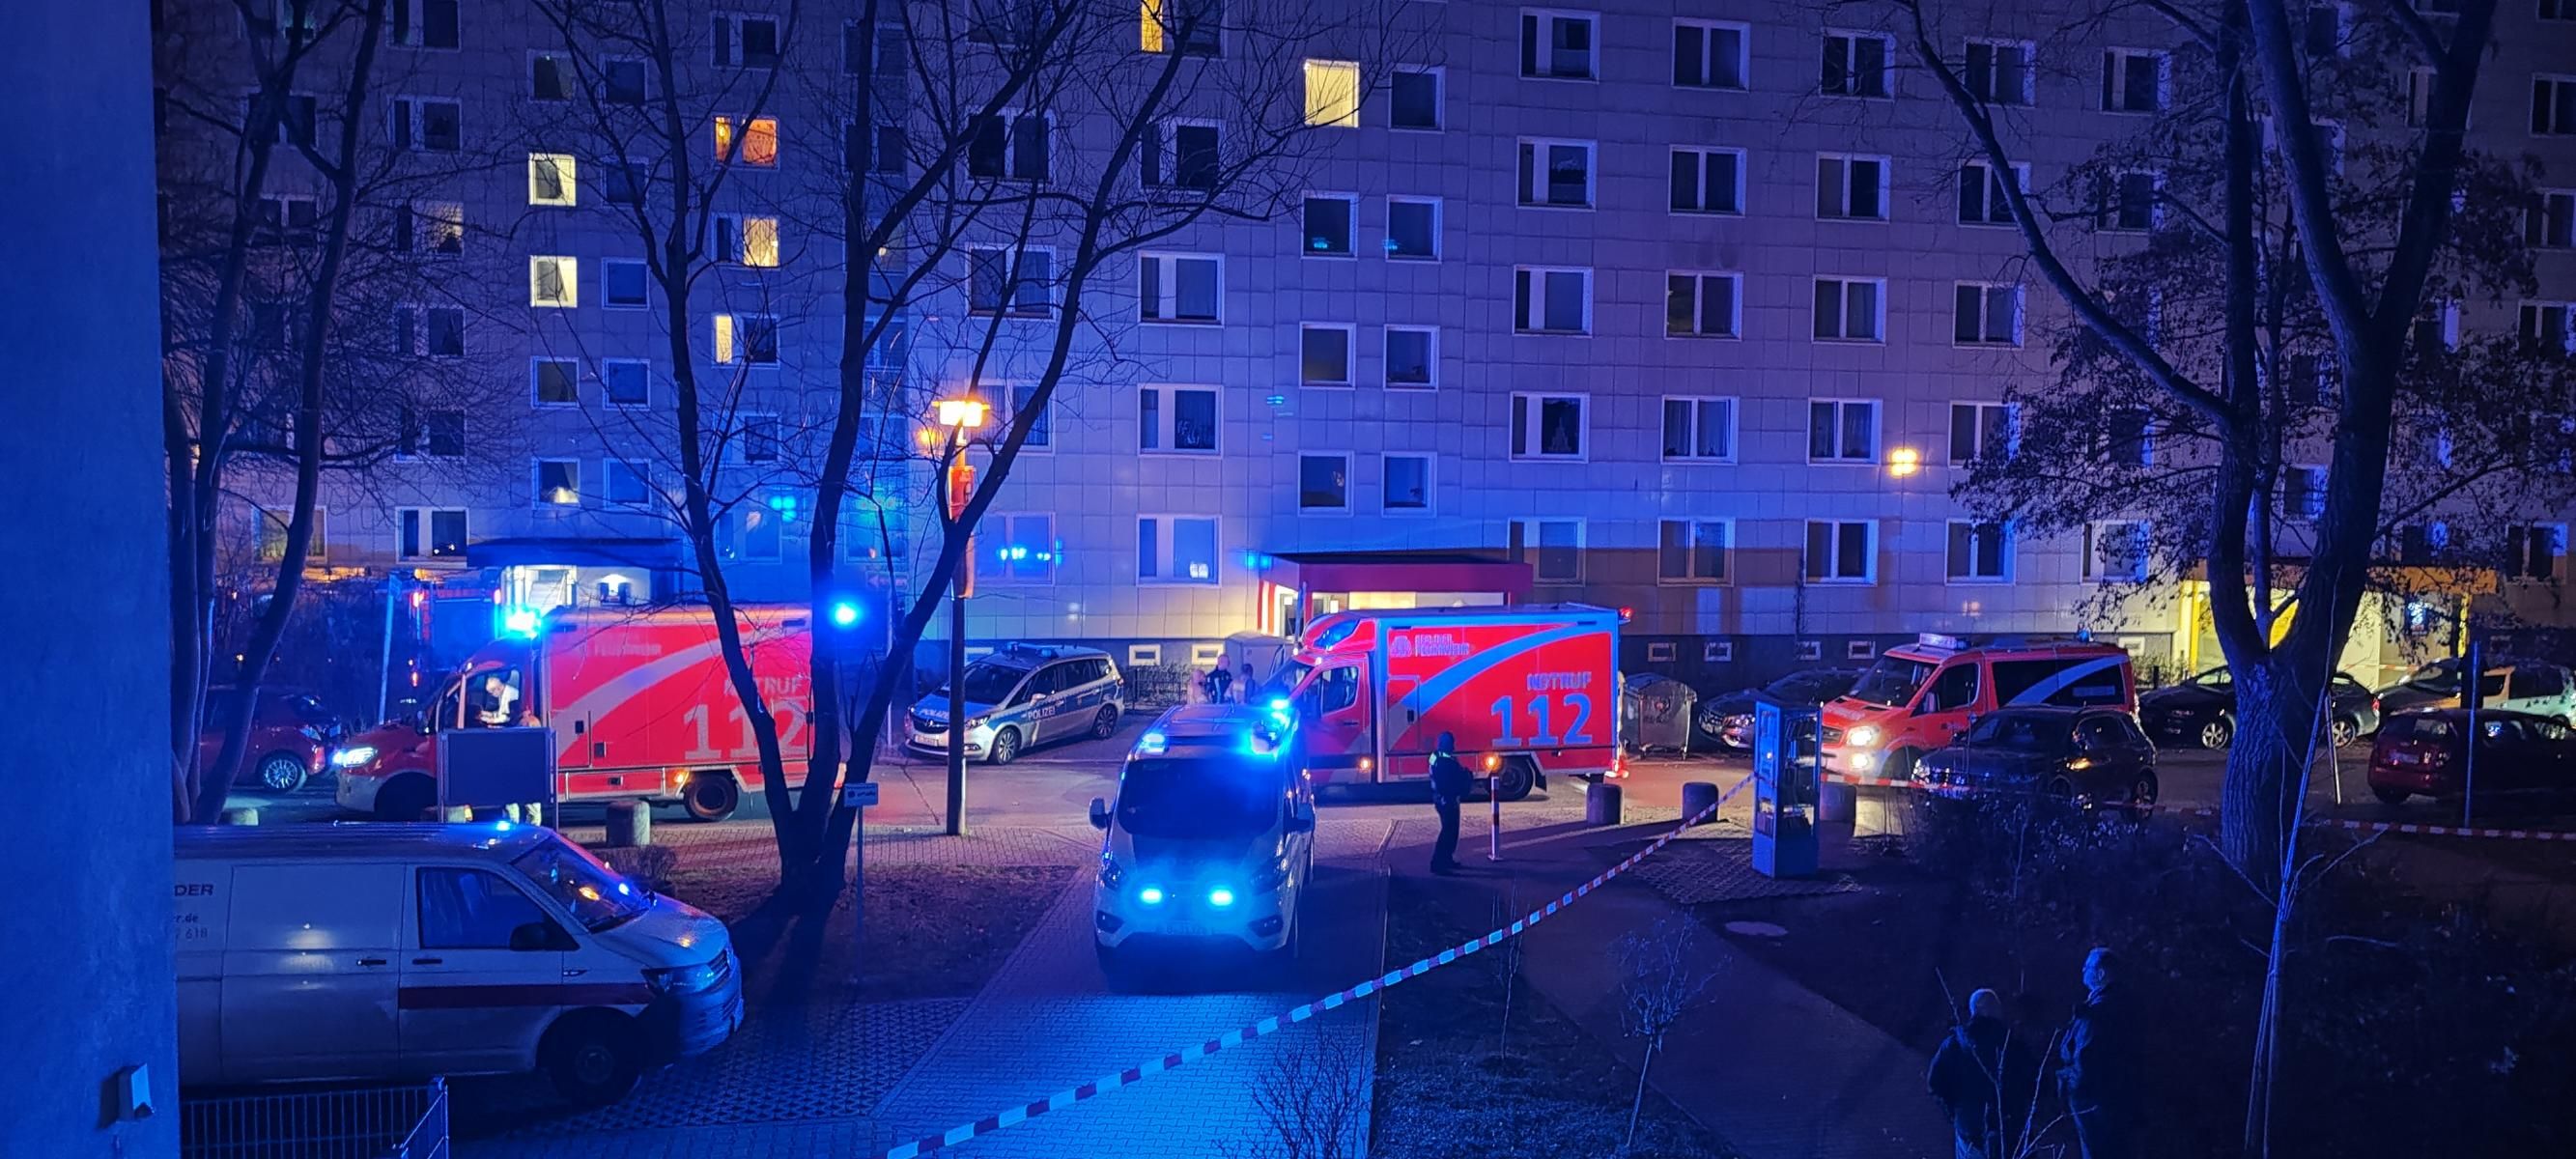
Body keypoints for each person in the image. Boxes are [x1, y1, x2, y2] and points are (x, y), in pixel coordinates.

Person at [1928, 988, 2039, 1159]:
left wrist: (1955, 1113)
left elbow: (1935, 1083)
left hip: (1969, 1128)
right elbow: (2035, 1084)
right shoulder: (2013, 1045)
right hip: (2011, 1127)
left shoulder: (1955, 1045)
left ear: (1974, 1010)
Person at [2058, 947, 2136, 1159]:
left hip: (2094, 1104)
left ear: (2101, 973)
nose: (2082, 969)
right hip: (2122, 1101)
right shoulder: (2128, 1006)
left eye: (2088, 966)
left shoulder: (2097, 1013)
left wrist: (2070, 1088)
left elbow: (2084, 1061)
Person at [1428, 731, 1470, 874]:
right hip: (1447, 800)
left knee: (1450, 832)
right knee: (1448, 832)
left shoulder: (1436, 756)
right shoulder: (1445, 762)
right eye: (1452, 743)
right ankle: (1439, 863)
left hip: (1442, 799)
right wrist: (1465, 775)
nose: (1454, 746)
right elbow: (1450, 781)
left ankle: (1446, 859)